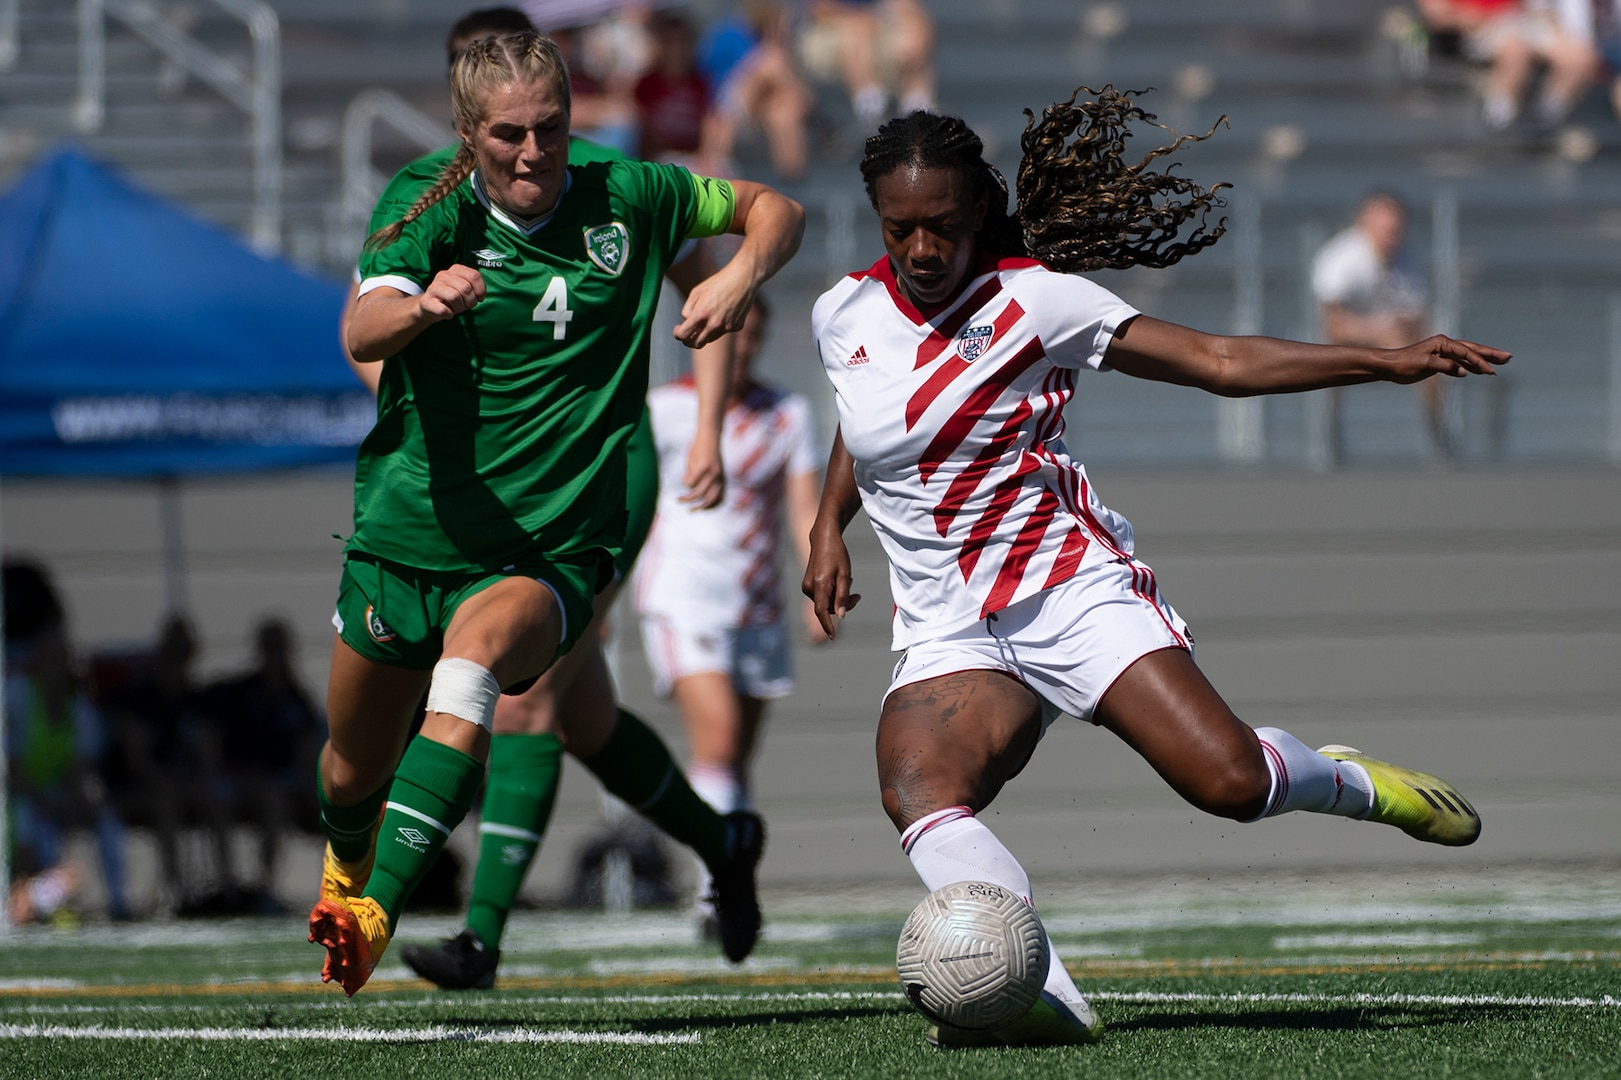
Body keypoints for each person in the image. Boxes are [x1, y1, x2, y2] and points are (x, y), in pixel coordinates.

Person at [802, 94, 1503, 1048]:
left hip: (1064, 587)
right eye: (900, 229)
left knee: (1228, 786)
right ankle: (1036, 994)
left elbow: (1217, 360)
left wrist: (1381, 364)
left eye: (943, 227)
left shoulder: (1036, 298)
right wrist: (823, 528)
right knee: (917, 790)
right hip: (946, 622)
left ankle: (1343, 779)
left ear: (977, 213)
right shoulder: (840, 309)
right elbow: (866, 423)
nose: (922, 249)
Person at [311, 28, 804, 997]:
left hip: (574, 511)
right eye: (508, 135)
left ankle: (442, 928)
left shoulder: (626, 192)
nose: (535, 152)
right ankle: (723, 842)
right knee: (360, 770)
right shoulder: (427, 202)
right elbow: (361, 328)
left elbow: (753, 226)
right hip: (415, 526)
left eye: (551, 126)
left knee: (497, 681)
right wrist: (421, 316)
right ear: (464, 131)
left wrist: (732, 311)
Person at [632, 295, 826, 934]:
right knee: (714, 741)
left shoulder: (786, 413)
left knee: (734, 758)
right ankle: (718, 895)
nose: (739, 347)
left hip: (758, 608)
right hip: (682, 598)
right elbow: (628, 502)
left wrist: (817, 584)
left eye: (750, 335)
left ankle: (726, 881)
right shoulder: (663, 410)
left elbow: (803, 508)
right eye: (727, 335)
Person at [3, 559, 132, 924]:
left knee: (105, 816)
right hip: (21, 795)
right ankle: (35, 901)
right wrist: (45, 802)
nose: (57, 663)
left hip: (56, 791)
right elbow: (10, 765)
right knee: (33, 827)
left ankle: (119, 903)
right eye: (50, 653)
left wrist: (79, 796)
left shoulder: (77, 705)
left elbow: (79, 764)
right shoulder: (19, 695)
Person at [196, 617, 324, 911]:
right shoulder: (239, 692)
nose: (275, 655)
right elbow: (211, 736)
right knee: (217, 800)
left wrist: (311, 789)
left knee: (275, 799)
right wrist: (212, 774)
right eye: (269, 648)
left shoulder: (296, 698)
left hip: (279, 785)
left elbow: (307, 753)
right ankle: (227, 887)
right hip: (235, 779)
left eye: (280, 648)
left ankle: (264, 887)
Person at [1311, 190, 1450, 459]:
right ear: (1364, 222)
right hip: (1351, 339)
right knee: (1327, 352)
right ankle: (1328, 437)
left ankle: (1439, 438)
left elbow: (1416, 317)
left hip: (1394, 338)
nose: (1391, 232)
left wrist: (1398, 338)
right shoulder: (1340, 259)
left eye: (1396, 226)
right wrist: (1379, 334)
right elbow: (1333, 323)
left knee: (1438, 357)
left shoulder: (1410, 260)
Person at [696, 2, 811, 180]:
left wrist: (778, 37)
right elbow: (706, 76)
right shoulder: (726, 35)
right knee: (770, 63)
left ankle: (791, 174)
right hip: (730, 105)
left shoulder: (779, 38)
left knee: (783, 111)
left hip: (766, 105)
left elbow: (795, 94)